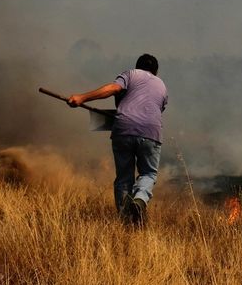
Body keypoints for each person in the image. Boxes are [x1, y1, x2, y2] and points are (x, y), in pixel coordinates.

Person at [68, 54, 168, 226]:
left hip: (123, 129)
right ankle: (140, 199)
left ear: (137, 66)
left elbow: (113, 89)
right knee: (148, 173)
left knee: (124, 178)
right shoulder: (162, 85)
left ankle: (125, 221)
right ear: (156, 71)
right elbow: (157, 109)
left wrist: (82, 98)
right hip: (151, 132)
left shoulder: (131, 74)